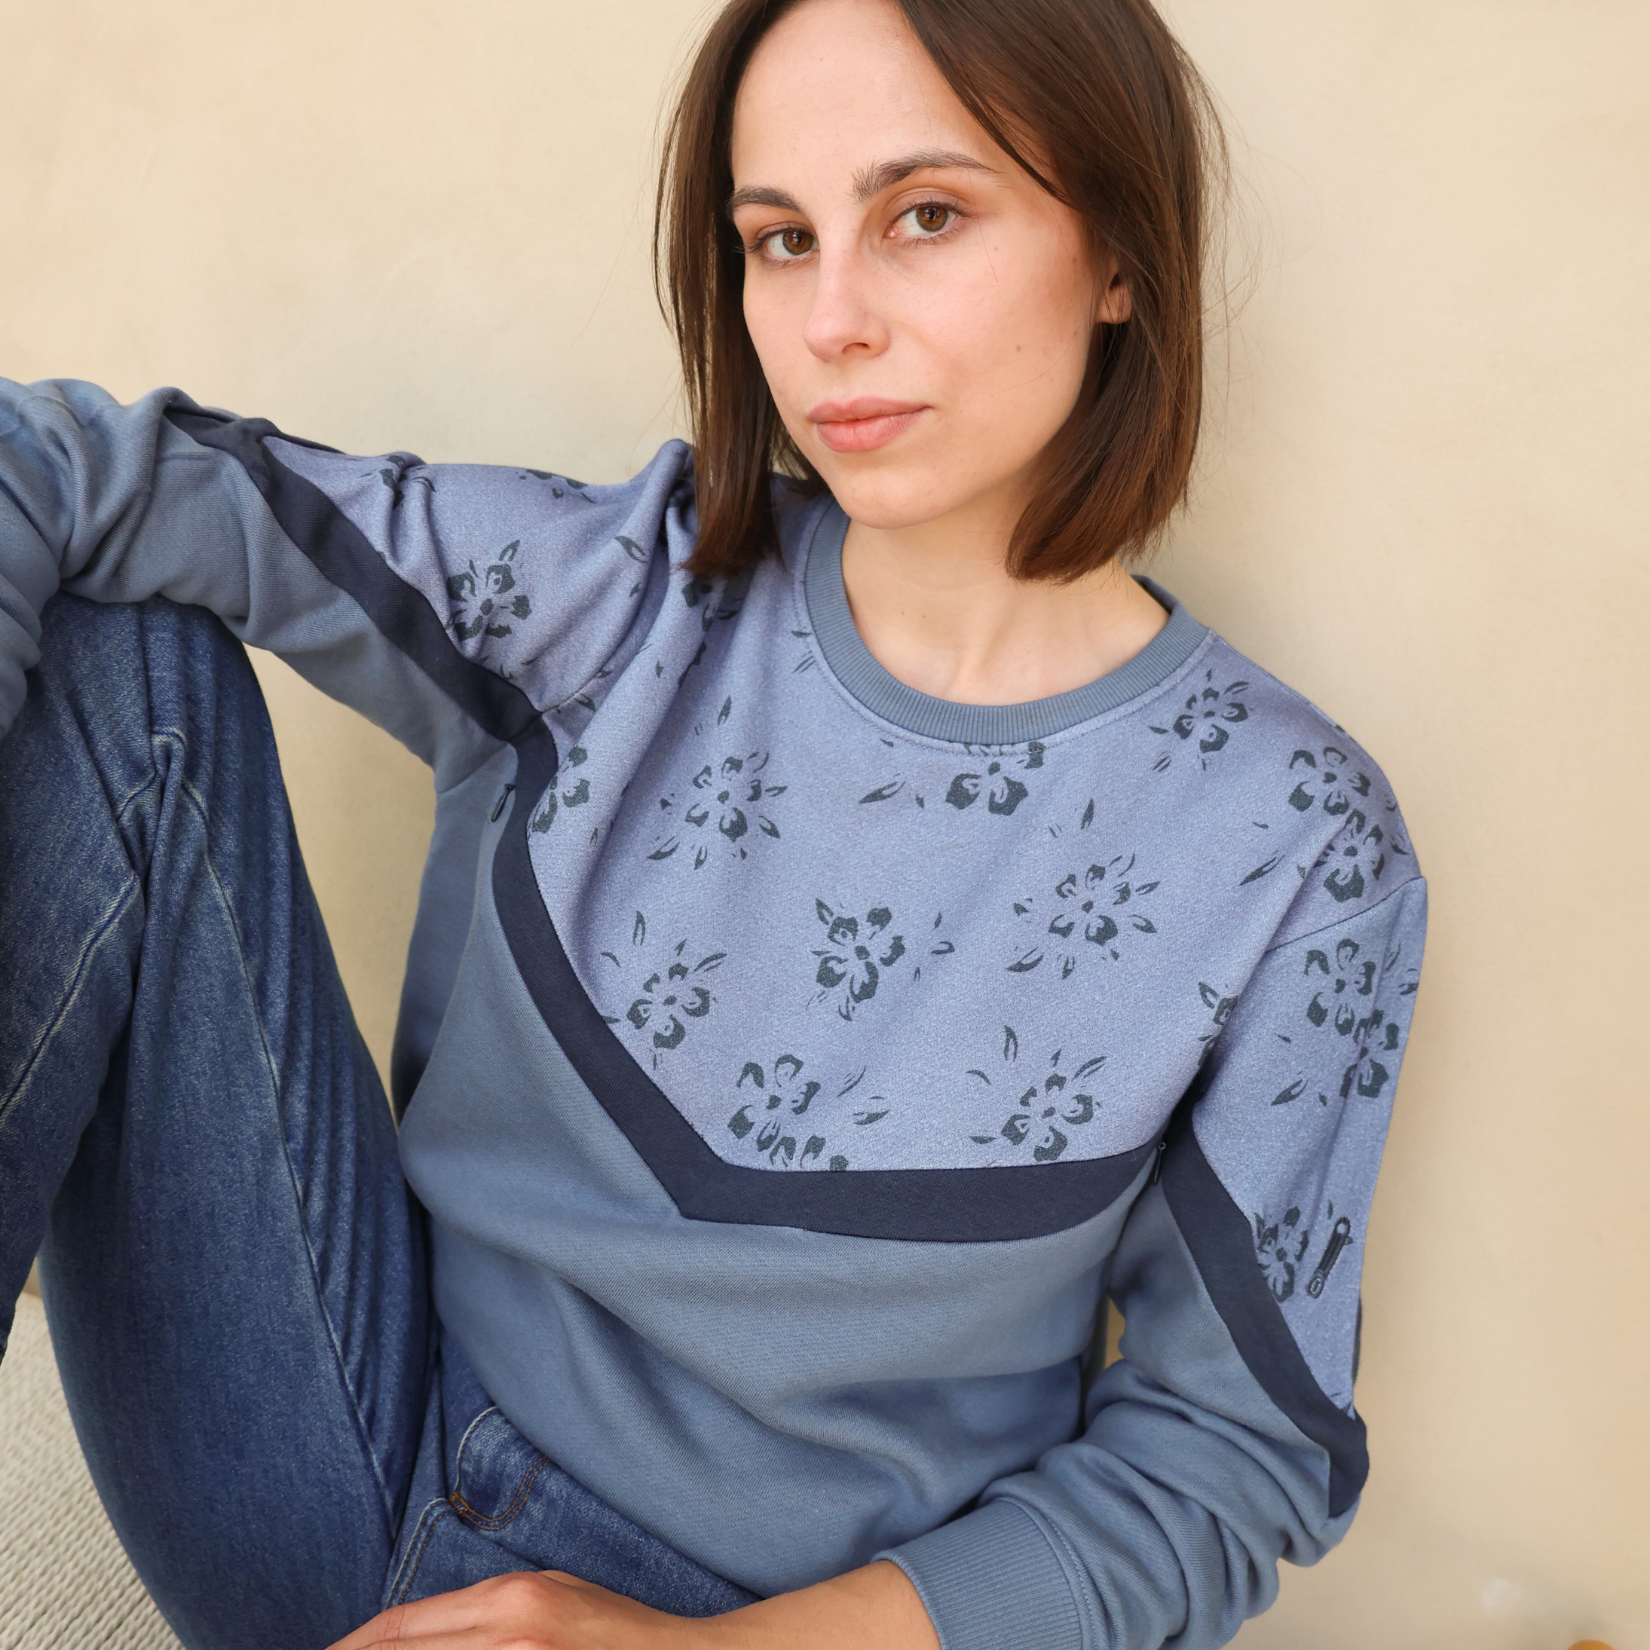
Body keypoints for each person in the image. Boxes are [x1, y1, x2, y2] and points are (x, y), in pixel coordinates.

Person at [0, 0, 1427, 1645]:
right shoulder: (622, 593)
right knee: (118, 660)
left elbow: (1226, 1459)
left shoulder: (1290, 843)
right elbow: (61, 465)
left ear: (1116, 252)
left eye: (924, 216)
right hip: (342, 1437)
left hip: (767, 1621)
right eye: (778, 239)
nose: (830, 322)